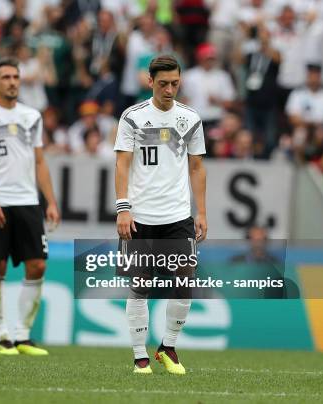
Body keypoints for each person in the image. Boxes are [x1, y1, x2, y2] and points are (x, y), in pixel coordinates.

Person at [114, 55, 207, 375]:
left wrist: (201, 212)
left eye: (175, 83)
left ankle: (168, 346)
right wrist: (123, 208)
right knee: (141, 284)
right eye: (164, 83)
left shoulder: (191, 118)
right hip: (140, 216)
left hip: (178, 215)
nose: (170, 89)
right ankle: (140, 355)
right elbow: (122, 163)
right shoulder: (133, 117)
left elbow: (196, 166)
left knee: (185, 279)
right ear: (150, 82)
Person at [0, 58, 60, 356]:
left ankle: (23, 335)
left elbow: (40, 162)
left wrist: (51, 201)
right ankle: (2, 335)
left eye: (16, 77)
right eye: (5, 77)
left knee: (38, 265)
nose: (12, 82)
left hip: (27, 201)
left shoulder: (32, 117)